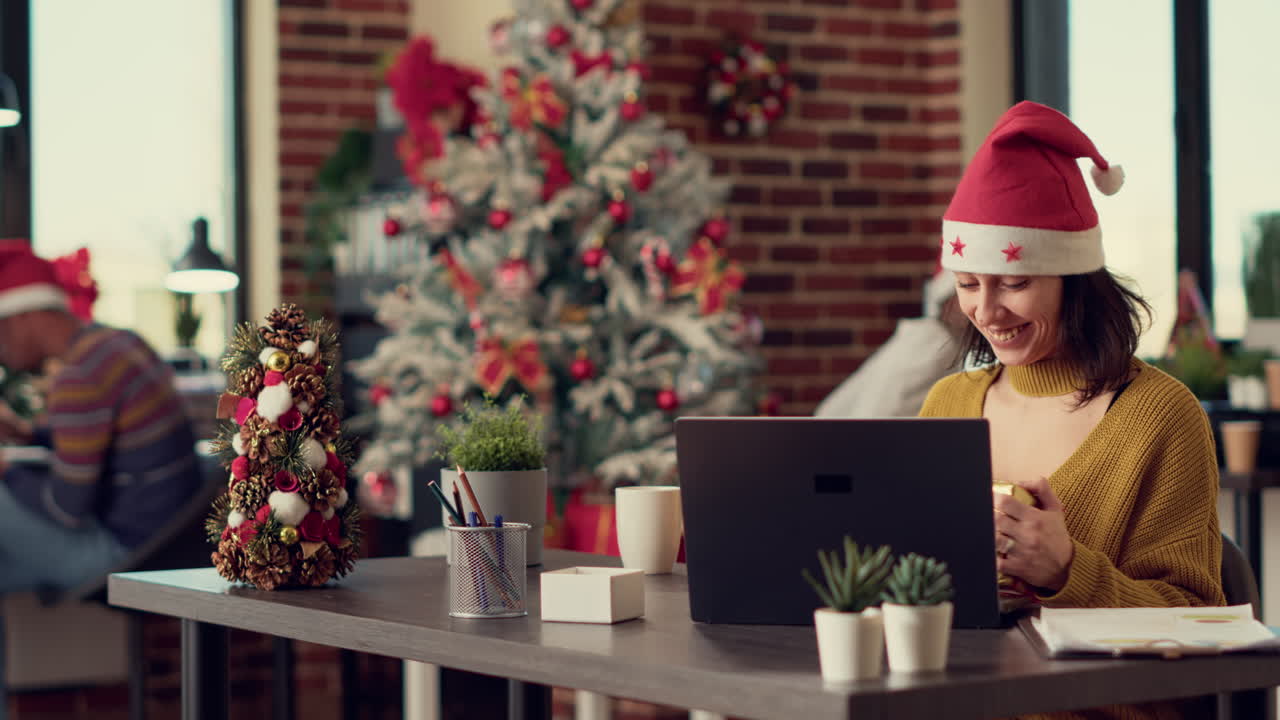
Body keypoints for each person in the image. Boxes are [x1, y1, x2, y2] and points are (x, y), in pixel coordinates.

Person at [919, 102, 1223, 719]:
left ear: (1073, 278)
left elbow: (1202, 640)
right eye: (968, 284)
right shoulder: (947, 402)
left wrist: (1067, 572)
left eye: (1013, 283)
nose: (987, 312)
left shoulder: (1161, 417)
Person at [0, 243, 200, 716]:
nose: (2, 355)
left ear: (21, 316)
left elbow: (68, 510)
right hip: (168, 537)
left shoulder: (79, 376)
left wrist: (6, 469)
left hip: (124, 553)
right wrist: (28, 434)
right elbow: (97, 448)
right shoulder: (117, 342)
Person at [814, 266, 966, 417]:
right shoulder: (933, 345)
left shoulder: (928, 339)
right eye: (968, 288)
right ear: (948, 300)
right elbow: (878, 420)